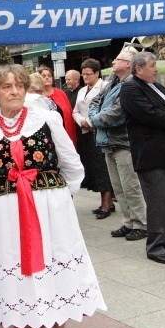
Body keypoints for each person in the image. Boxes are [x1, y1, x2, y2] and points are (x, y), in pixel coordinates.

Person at [0, 64, 105, 328]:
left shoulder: (46, 120)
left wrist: (58, 198)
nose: (14, 92)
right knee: (17, 270)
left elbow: (72, 165)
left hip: (49, 209)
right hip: (6, 213)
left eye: (19, 85)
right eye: (7, 87)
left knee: (54, 266)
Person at [120, 52, 165, 265]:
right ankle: (156, 246)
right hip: (152, 157)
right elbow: (151, 114)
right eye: (152, 66)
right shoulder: (131, 88)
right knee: (158, 203)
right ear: (138, 69)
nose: (156, 69)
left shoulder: (157, 86)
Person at [88, 49, 147, 241]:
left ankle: (142, 223)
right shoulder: (112, 81)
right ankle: (128, 221)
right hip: (107, 142)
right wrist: (94, 115)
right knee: (118, 187)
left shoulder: (130, 85)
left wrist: (94, 120)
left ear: (128, 64)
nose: (113, 62)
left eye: (117, 59)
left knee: (130, 186)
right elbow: (95, 101)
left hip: (123, 142)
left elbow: (118, 113)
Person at [73, 59, 113, 219]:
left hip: (99, 131)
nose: (85, 77)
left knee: (103, 167)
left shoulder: (105, 87)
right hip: (86, 133)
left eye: (88, 74)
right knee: (94, 167)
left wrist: (90, 121)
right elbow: (75, 110)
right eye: (83, 74)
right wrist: (81, 121)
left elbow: (106, 109)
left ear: (97, 73)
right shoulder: (82, 91)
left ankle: (107, 204)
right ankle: (106, 201)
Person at [38, 65, 77, 148]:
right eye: (44, 76)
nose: (47, 78)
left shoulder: (61, 93)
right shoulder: (36, 96)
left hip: (64, 133)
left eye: (49, 76)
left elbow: (69, 114)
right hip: (47, 136)